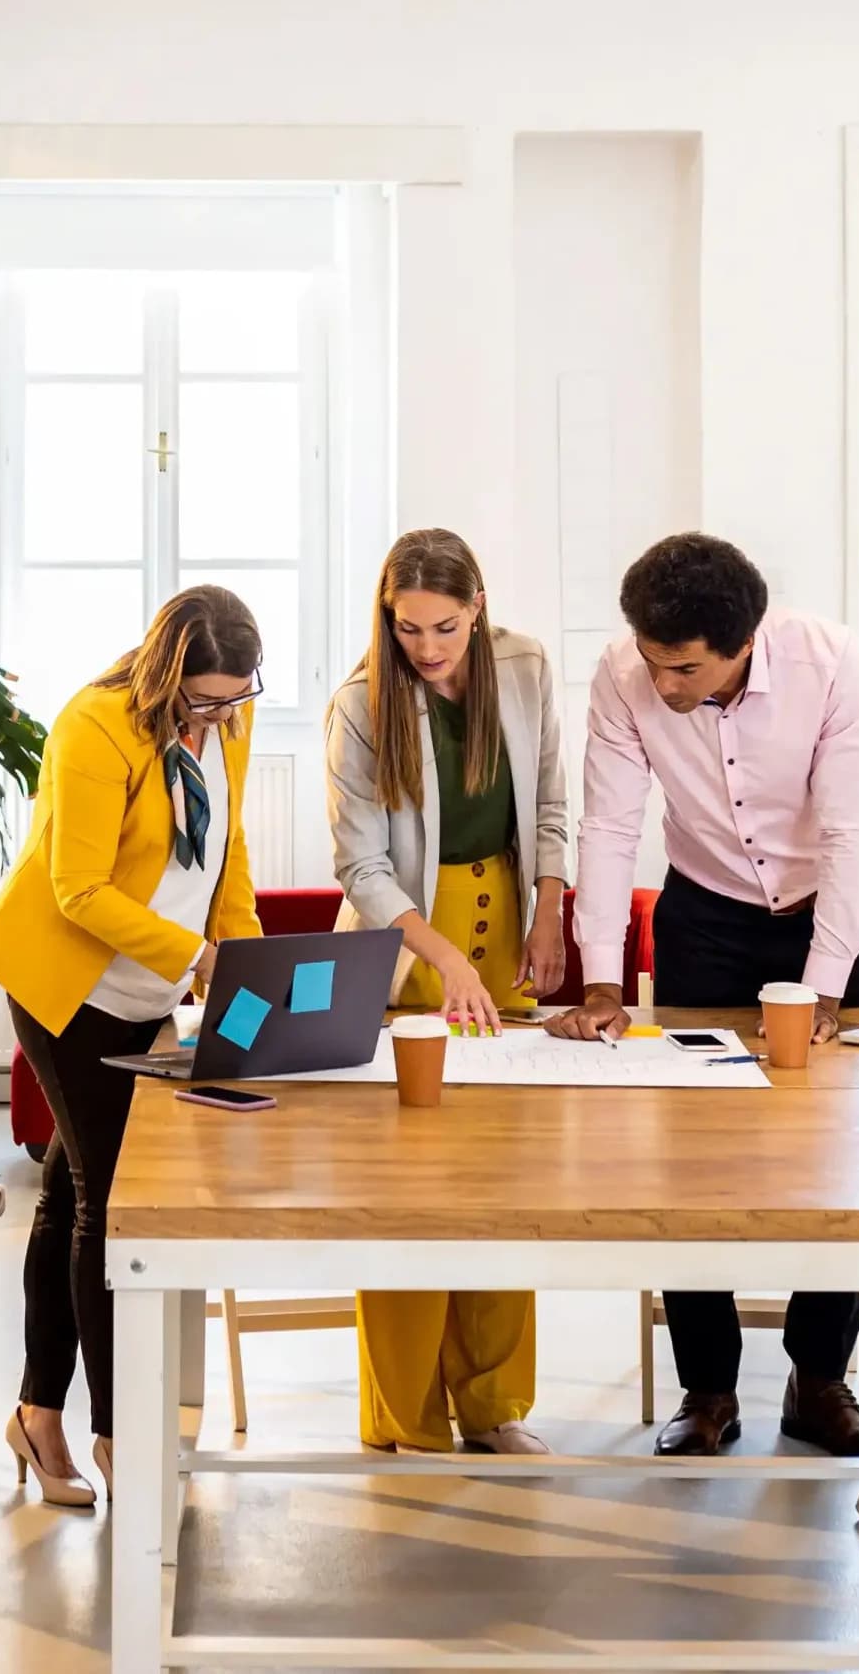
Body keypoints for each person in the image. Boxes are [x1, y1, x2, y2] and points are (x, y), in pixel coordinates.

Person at [545, 532, 859, 1459]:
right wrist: (606, 977)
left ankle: (819, 1381)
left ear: (742, 643)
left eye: (683, 668)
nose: (662, 684)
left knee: (838, 1151)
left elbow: (854, 834)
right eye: (653, 662)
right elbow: (610, 826)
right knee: (685, 1154)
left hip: (830, 914)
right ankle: (708, 1387)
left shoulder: (830, 664)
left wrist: (822, 988)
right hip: (705, 917)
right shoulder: (625, 674)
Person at [0, 585, 265, 1505]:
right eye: (206, 698)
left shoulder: (228, 727)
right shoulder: (95, 727)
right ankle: (117, 1433)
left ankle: (37, 1415)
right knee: (112, 1203)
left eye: (236, 698)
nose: (221, 715)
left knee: (67, 1194)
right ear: (169, 672)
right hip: (70, 991)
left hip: (150, 993)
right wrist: (199, 957)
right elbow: (79, 890)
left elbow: (229, 860)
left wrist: (245, 969)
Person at [325, 528, 568, 1454]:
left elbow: (548, 802)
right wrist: (445, 961)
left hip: (502, 923)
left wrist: (549, 912)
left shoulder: (526, 667)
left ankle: (496, 1405)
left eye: (446, 627)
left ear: (478, 610)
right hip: (403, 944)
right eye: (409, 628)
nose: (427, 648)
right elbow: (362, 864)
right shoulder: (360, 703)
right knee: (405, 1184)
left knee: (507, 1177)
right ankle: (408, 1415)